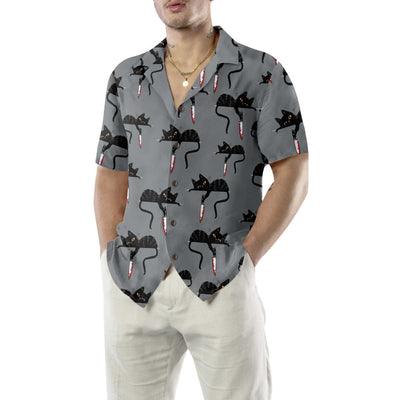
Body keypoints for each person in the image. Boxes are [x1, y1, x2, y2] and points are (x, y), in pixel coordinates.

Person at [93, 1, 309, 398]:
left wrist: (246, 258)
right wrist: (111, 254)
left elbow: (293, 169)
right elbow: (111, 174)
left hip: (222, 281)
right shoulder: (126, 77)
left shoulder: (262, 73)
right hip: (134, 284)